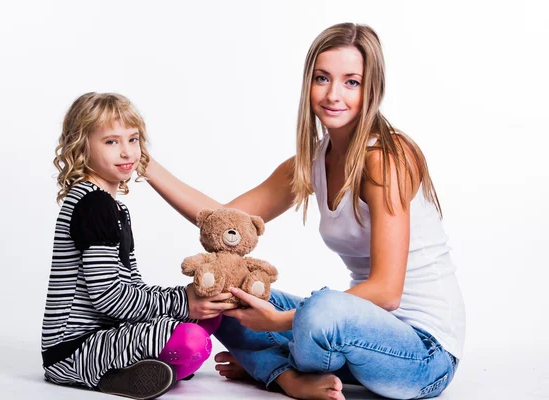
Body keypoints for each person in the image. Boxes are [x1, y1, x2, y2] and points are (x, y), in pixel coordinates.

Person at [143, 23, 465, 400]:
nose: (333, 94)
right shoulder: (312, 162)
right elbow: (225, 221)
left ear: (372, 89)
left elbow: (387, 291)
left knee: (322, 308)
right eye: (322, 78)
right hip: (353, 336)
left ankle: (270, 366)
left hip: (425, 355)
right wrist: (144, 164)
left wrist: (280, 321)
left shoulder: (385, 159)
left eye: (351, 82)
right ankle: (288, 377)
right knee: (228, 294)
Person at [41, 92, 233, 399]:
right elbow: (108, 298)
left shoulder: (113, 207)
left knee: (208, 314)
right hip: (73, 348)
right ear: (81, 145)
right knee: (191, 339)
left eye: (133, 139)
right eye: (111, 142)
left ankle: (146, 367)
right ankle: (114, 373)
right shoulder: (92, 204)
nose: (127, 151)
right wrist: (182, 302)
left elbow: (131, 285)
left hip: (107, 335)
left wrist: (189, 303)